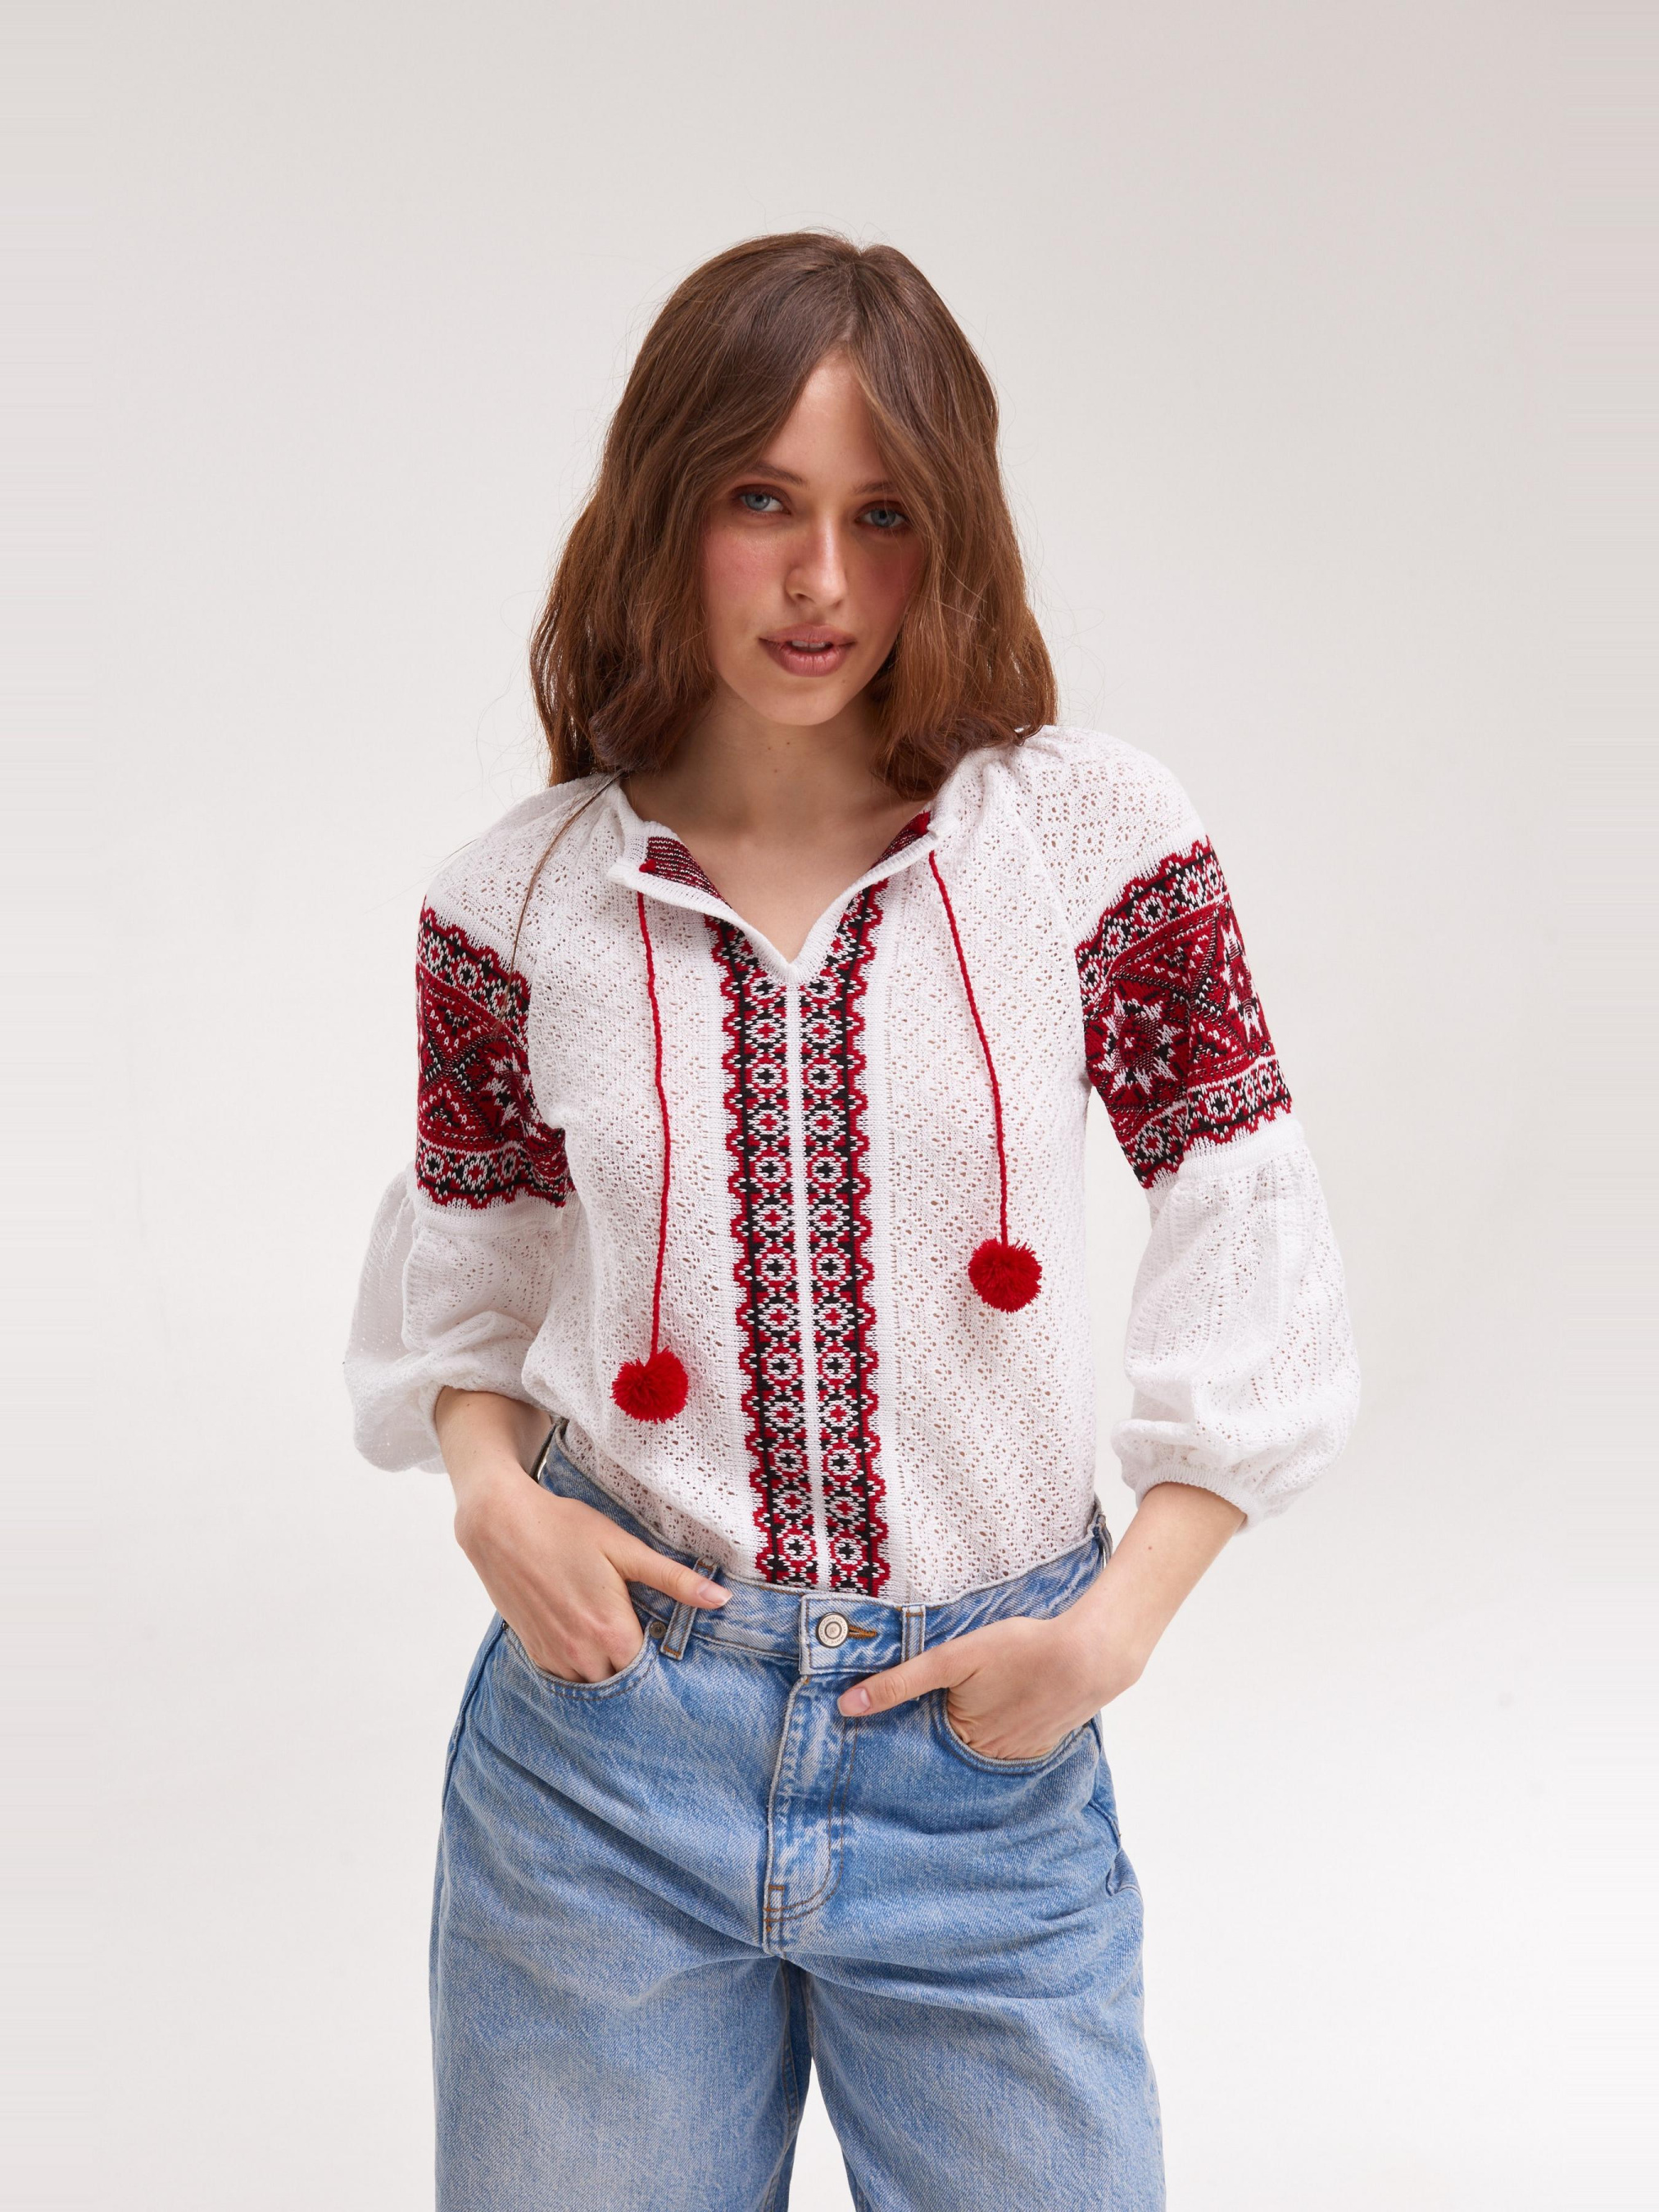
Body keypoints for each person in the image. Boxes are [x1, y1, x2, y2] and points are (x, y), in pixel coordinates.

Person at [344, 230, 1360, 2212]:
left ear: (946, 532)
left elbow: (1248, 1221)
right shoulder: (513, 900)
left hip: (980, 1766)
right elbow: (466, 1284)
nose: (819, 579)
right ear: (663, 508)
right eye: (761, 502)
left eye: (880, 515)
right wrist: (488, 1498)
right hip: (606, 1761)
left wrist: (1108, 1632)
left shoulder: (1084, 838)